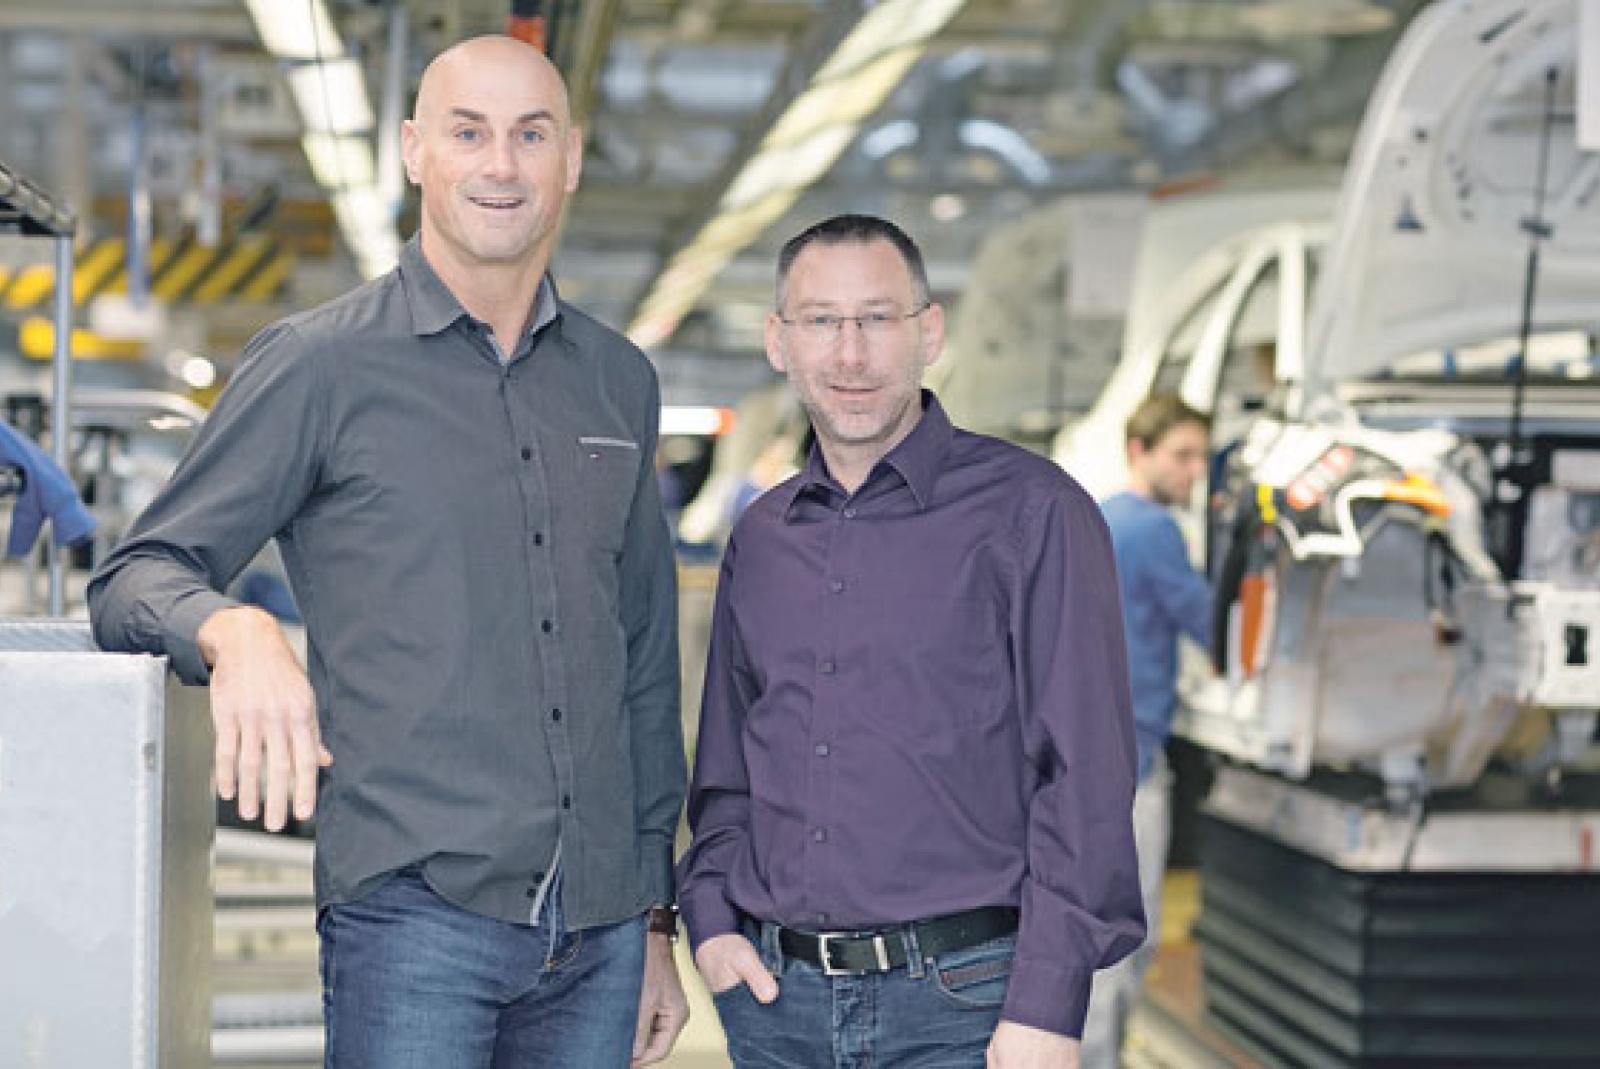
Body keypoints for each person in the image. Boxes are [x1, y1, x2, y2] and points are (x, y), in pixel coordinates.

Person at [88, 35, 689, 1068]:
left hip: (598, 933)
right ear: (414, 150)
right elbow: (133, 577)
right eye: (468, 132)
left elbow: (641, 661)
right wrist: (236, 629)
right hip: (416, 922)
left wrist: (655, 917)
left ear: (572, 158)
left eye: (530, 135)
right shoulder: (320, 367)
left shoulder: (617, 379)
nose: (500, 164)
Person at [677, 213, 1146, 1068]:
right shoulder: (764, 539)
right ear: (780, 342)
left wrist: (1048, 1004)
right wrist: (711, 921)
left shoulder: (1034, 513)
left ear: (929, 332)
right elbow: (727, 771)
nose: (850, 354)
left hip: (966, 1007)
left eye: (877, 318)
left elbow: (1084, 773)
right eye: (822, 320)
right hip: (778, 1007)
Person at [1079, 393, 1213, 1069]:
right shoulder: (1156, 529)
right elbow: (1210, 623)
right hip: (1131, 766)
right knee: (1129, 937)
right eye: (1181, 455)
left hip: (1088, 759)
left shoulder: (1098, 516)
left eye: (1201, 457)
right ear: (1139, 451)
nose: (1195, 471)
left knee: (1094, 933)